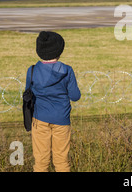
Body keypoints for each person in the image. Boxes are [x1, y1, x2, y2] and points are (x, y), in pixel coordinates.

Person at [25, 31, 81, 172]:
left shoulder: (32, 71)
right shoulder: (67, 70)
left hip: (40, 119)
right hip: (62, 119)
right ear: (59, 50)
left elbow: (28, 94)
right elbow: (75, 96)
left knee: (41, 162)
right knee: (62, 161)